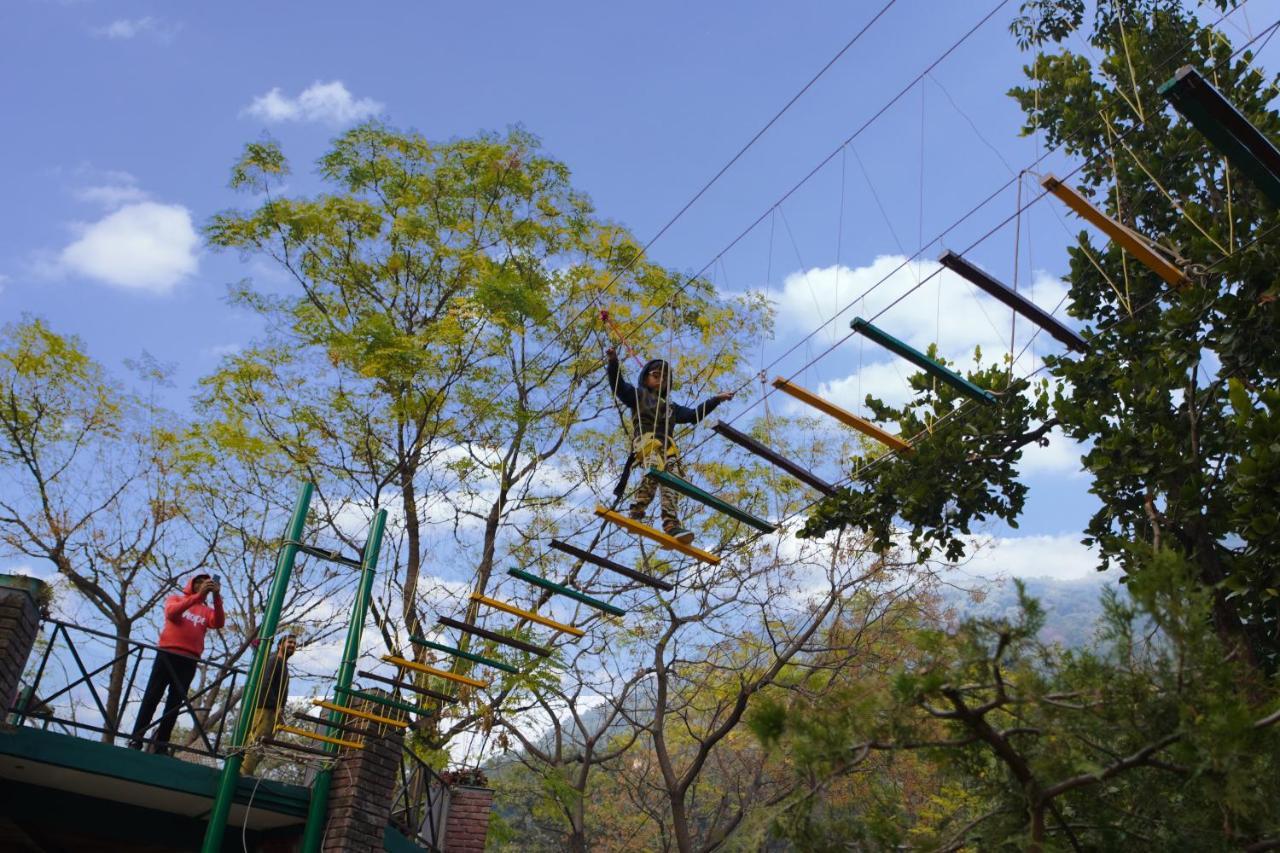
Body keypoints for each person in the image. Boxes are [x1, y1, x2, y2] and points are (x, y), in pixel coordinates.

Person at [605, 348, 734, 543]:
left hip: (668, 446)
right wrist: (613, 362)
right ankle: (637, 511)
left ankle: (671, 524)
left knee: (672, 481)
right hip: (647, 441)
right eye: (656, 375)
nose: (660, 380)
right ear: (646, 378)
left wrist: (715, 400)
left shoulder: (671, 408)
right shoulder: (638, 396)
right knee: (654, 470)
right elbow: (619, 387)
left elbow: (693, 415)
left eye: (664, 378)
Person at [127, 573, 224, 755]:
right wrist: (197, 597)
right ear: (192, 585)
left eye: (206, 583)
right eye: (199, 582)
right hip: (167, 653)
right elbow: (171, 613)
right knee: (152, 697)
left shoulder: (206, 610)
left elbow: (218, 622)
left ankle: (162, 744)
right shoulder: (176, 598)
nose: (203, 585)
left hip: (189, 659)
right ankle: (136, 738)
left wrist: (216, 596)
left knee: (174, 703)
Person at [240, 632, 297, 776]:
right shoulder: (274, 661)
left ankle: (247, 771)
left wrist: (281, 709)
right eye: (289, 642)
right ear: (280, 645)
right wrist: (275, 706)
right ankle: (243, 772)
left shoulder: (282, 664)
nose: (292, 645)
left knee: (264, 744)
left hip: (272, 710)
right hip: (265, 708)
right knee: (258, 740)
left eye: (294, 644)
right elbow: (265, 684)